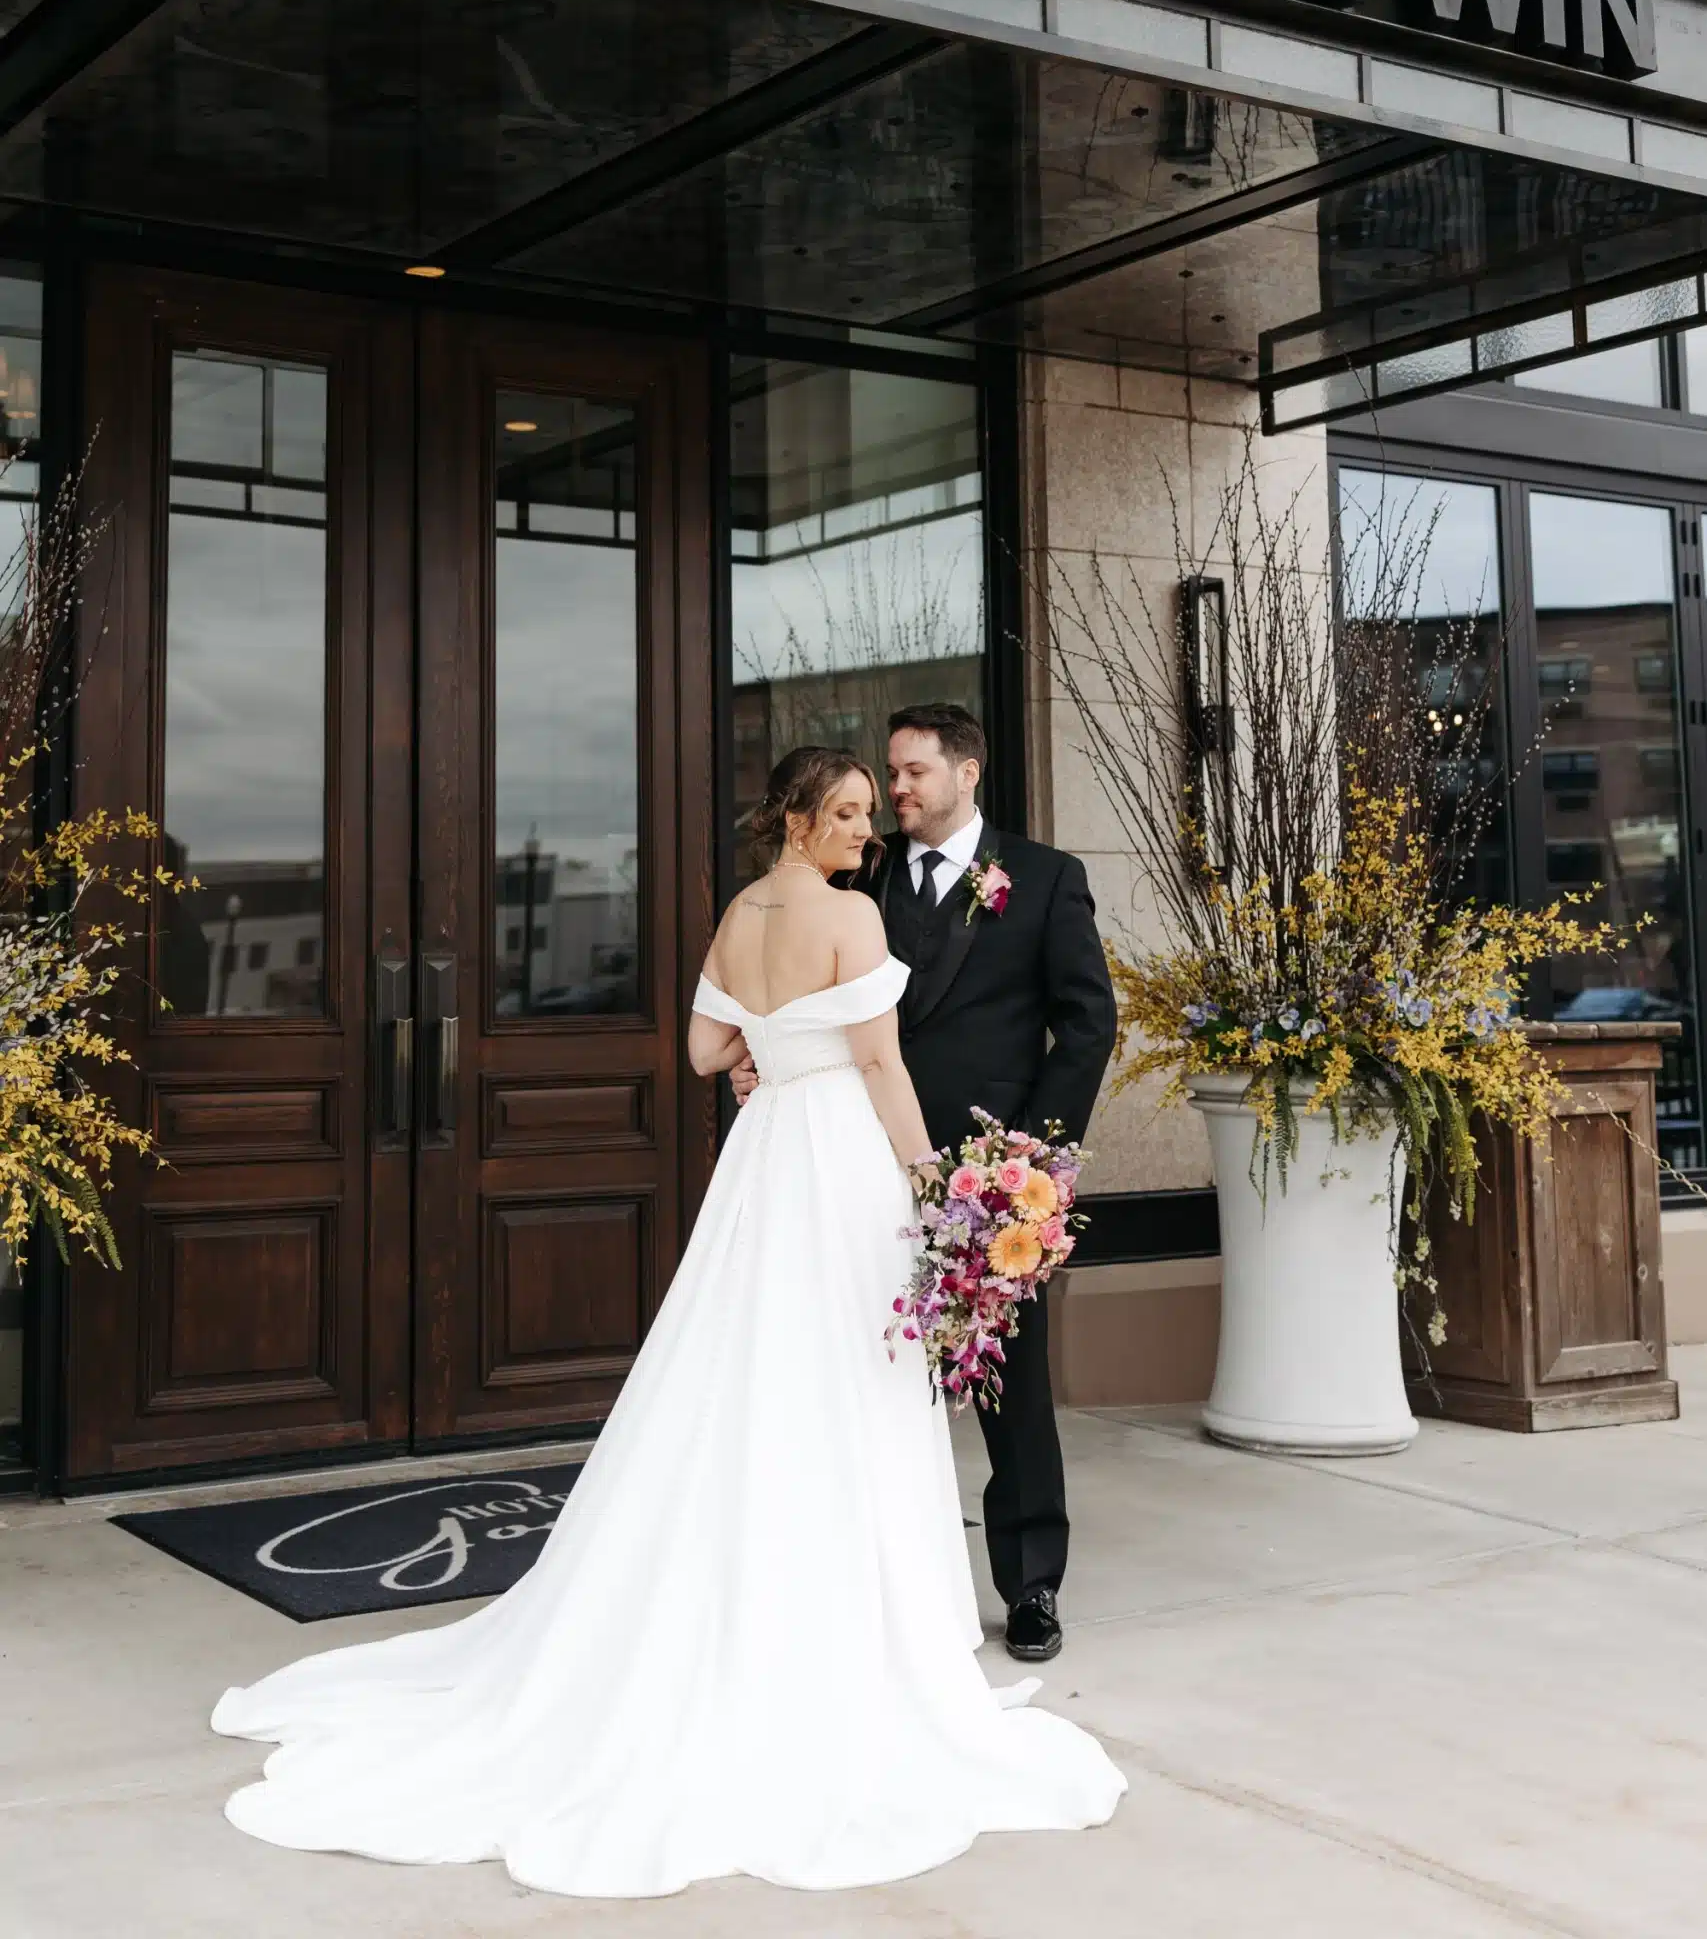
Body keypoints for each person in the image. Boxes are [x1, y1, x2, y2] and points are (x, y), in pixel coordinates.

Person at [211, 746, 1124, 1899]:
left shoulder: (739, 912)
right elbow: (884, 1062)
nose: (865, 827)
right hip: (842, 1159)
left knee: (742, 1366)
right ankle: (850, 1626)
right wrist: (932, 1180)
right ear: (799, 818)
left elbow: (702, 1051)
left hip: (765, 1157)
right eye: (846, 808)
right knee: (848, 1375)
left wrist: (769, 1052)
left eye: (870, 805)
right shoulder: (848, 917)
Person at [734, 703, 1116, 1665]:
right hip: (857, 1159)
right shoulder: (856, 878)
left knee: (1010, 1381)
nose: (894, 792)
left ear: (967, 772)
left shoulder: (1043, 878)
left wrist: (1030, 1160)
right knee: (860, 1364)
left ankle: (1030, 1584)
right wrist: (759, 1056)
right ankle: (872, 1574)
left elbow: (1084, 1026)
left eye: (911, 774)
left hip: (985, 1176)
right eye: (888, 778)